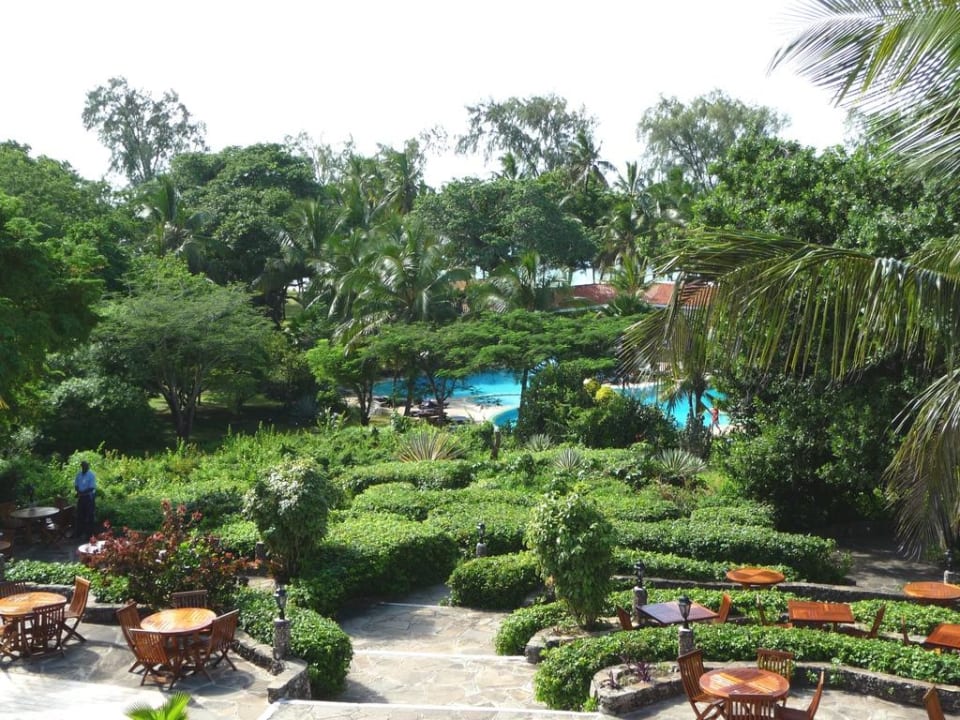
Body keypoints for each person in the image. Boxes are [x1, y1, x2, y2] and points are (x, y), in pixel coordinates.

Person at [74, 460, 97, 540]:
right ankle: (79, 533)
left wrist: (82, 492)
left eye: (86, 466)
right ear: (81, 466)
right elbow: (76, 485)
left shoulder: (91, 475)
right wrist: (78, 491)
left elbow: (91, 488)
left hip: (89, 497)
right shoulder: (79, 474)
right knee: (80, 516)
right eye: (83, 466)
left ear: (88, 466)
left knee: (90, 516)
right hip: (81, 497)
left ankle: (90, 535)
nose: (84, 467)